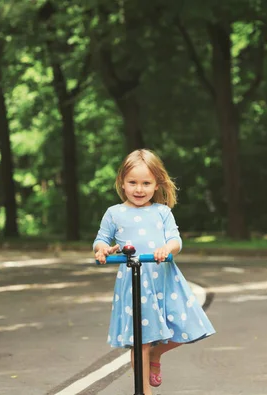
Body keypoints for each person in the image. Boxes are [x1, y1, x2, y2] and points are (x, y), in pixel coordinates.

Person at [93, 149, 216, 395]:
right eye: (133, 183)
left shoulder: (162, 212)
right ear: (122, 183)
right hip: (135, 282)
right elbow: (100, 240)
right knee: (142, 341)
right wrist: (102, 250)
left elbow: (176, 240)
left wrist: (166, 248)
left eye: (146, 183)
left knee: (186, 327)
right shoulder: (114, 213)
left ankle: (156, 355)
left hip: (165, 280)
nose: (139, 189)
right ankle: (144, 391)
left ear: (156, 184)